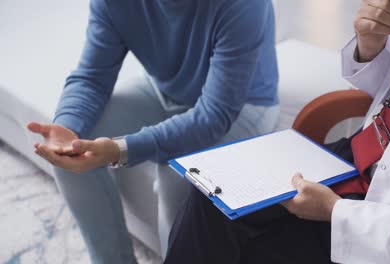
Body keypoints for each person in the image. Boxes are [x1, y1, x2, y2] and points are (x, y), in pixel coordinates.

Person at [163, 0, 390, 263]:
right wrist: (370, 46)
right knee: (214, 194)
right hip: (363, 156)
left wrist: (337, 214)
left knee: (254, 250)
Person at [27, 0, 279, 263]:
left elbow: (215, 115)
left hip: (243, 105)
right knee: (68, 154)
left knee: (178, 175)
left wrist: (121, 150)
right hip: (164, 92)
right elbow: (92, 75)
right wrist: (67, 126)